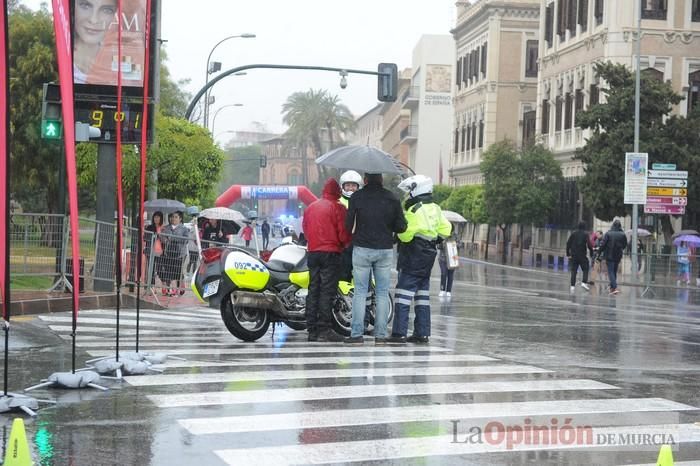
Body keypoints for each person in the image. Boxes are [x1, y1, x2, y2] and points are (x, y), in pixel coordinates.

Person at [344, 173, 407, 345]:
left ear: (365, 180)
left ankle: (356, 334)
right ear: (381, 180)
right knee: (381, 292)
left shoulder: (356, 197)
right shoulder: (392, 197)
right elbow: (401, 226)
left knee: (360, 292)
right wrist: (388, 226)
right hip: (384, 249)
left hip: (362, 249)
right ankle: (380, 335)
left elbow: (348, 225)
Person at [390, 175, 451, 344]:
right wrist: (436, 238)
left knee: (403, 293)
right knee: (422, 295)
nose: (408, 195)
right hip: (428, 254)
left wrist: (397, 235)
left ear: (418, 189)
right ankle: (422, 333)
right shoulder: (436, 208)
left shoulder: (415, 209)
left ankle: (399, 333)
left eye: (410, 191)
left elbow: (405, 234)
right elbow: (447, 228)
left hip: (413, 254)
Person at [302, 178, 352, 342]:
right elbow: (343, 232)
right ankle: (324, 328)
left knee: (313, 289)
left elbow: (305, 228)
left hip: (313, 252)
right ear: (337, 191)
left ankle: (312, 329)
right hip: (330, 253)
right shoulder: (338, 207)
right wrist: (345, 244)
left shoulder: (311, 207)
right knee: (327, 291)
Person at [73, 0, 117, 84]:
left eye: (107, 10)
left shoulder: (119, 61)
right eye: (85, 5)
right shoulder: (55, 56)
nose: (94, 20)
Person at [161, 211, 189, 296]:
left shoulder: (184, 229)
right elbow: (162, 237)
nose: (173, 218)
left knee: (178, 271)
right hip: (168, 252)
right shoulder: (166, 228)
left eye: (176, 217)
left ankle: (179, 288)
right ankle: (169, 289)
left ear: (180, 219)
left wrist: (173, 239)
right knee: (168, 270)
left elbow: (186, 240)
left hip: (180, 253)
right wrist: (165, 240)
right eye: (172, 216)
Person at [599, 219, 628, 295]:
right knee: (614, 271)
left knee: (610, 271)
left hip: (609, 255)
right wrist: (620, 248)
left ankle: (614, 287)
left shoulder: (608, 233)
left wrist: (599, 252)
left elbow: (603, 244)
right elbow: (625, 244)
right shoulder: (622, 234)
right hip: (618, 255)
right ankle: (612, 288)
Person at [566, 221, 594, 293]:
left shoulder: (573, 233)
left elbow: (568, 243)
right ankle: (584, 282)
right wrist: (591, 252)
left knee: (574, 271)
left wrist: (568, 254)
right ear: (584, 227)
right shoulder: (586, 234)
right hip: (582, 255)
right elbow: (589, 245)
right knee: (585, 268)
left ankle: (572, 286)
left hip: (574, 255)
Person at [144, 211, 164, 286]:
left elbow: (165, 239)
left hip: (160, 252)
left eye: (158, 217)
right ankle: (150, 285)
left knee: (159, 269)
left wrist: (160, 236)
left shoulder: (163, 228)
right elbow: (145, 238)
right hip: (150, 250)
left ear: (161, 218)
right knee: (150, 269)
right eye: (155, 217)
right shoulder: (149, 227)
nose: (156, 219)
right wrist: (153, 236)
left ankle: (164, 284)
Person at [438, 231, 457, 298]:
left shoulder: (455, 236)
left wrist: (454, 244)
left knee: (450, 275)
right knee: (443, 274)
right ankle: (442, 290)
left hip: (452, 259)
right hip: (443, 258)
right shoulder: (442, 235)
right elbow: (438, 246)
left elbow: (460, 245)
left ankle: (448, 291)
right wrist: (442, 243)